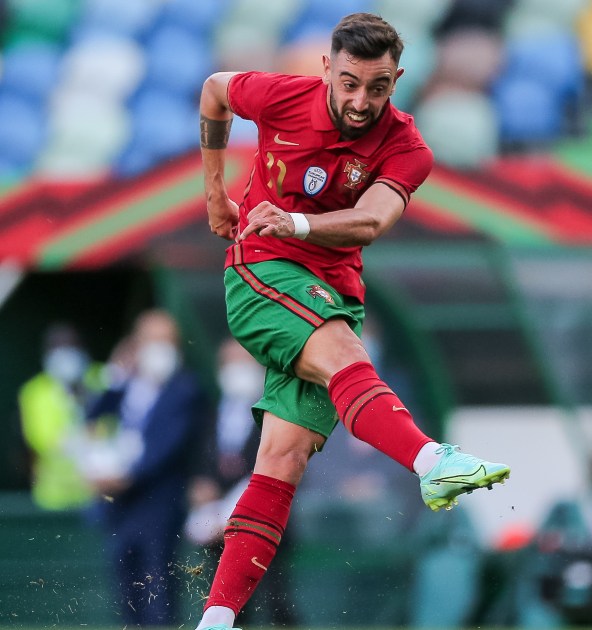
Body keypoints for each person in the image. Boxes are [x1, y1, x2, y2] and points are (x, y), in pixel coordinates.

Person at [196, 13, 510, 630]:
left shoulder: (408, 148)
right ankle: (432, 463)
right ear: (326, 70)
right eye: (349, 83)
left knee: (282, 460)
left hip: (333, 293)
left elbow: (370, 221)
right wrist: (213, 191)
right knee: (345, 358)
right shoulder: (281, 96)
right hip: (262, 270)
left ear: (398, 79)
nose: (361, 100)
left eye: (378, 86)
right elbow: (214, 90)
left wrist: (297, 222)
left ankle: (217, 619)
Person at [86, 309, 208, 627]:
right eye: (152, 340)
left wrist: (127, 476)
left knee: (157, 582)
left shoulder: (185, 389)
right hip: (121, 505)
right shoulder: (126, 385)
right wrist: (115, 373)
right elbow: (92, 414)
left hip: (159, 502)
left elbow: (168, 445)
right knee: (126, 581)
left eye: (167, 341)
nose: (160, 348)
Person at [189, 339, 297, 626]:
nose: (237, 369)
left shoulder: (278, 410)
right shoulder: (211, 411)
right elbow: (201, 460)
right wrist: (202, 487)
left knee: (275, 601)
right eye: (230, 362)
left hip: (266, 520)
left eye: (245, 361)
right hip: (217, 526)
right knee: (228, 602)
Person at [18, 323, 101, 510]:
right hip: (55, 497)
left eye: (71, 346)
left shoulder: (102, 379)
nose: (65, 354)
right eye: (58, 348)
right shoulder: (34, 391)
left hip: (98, 494)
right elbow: (43, 440)